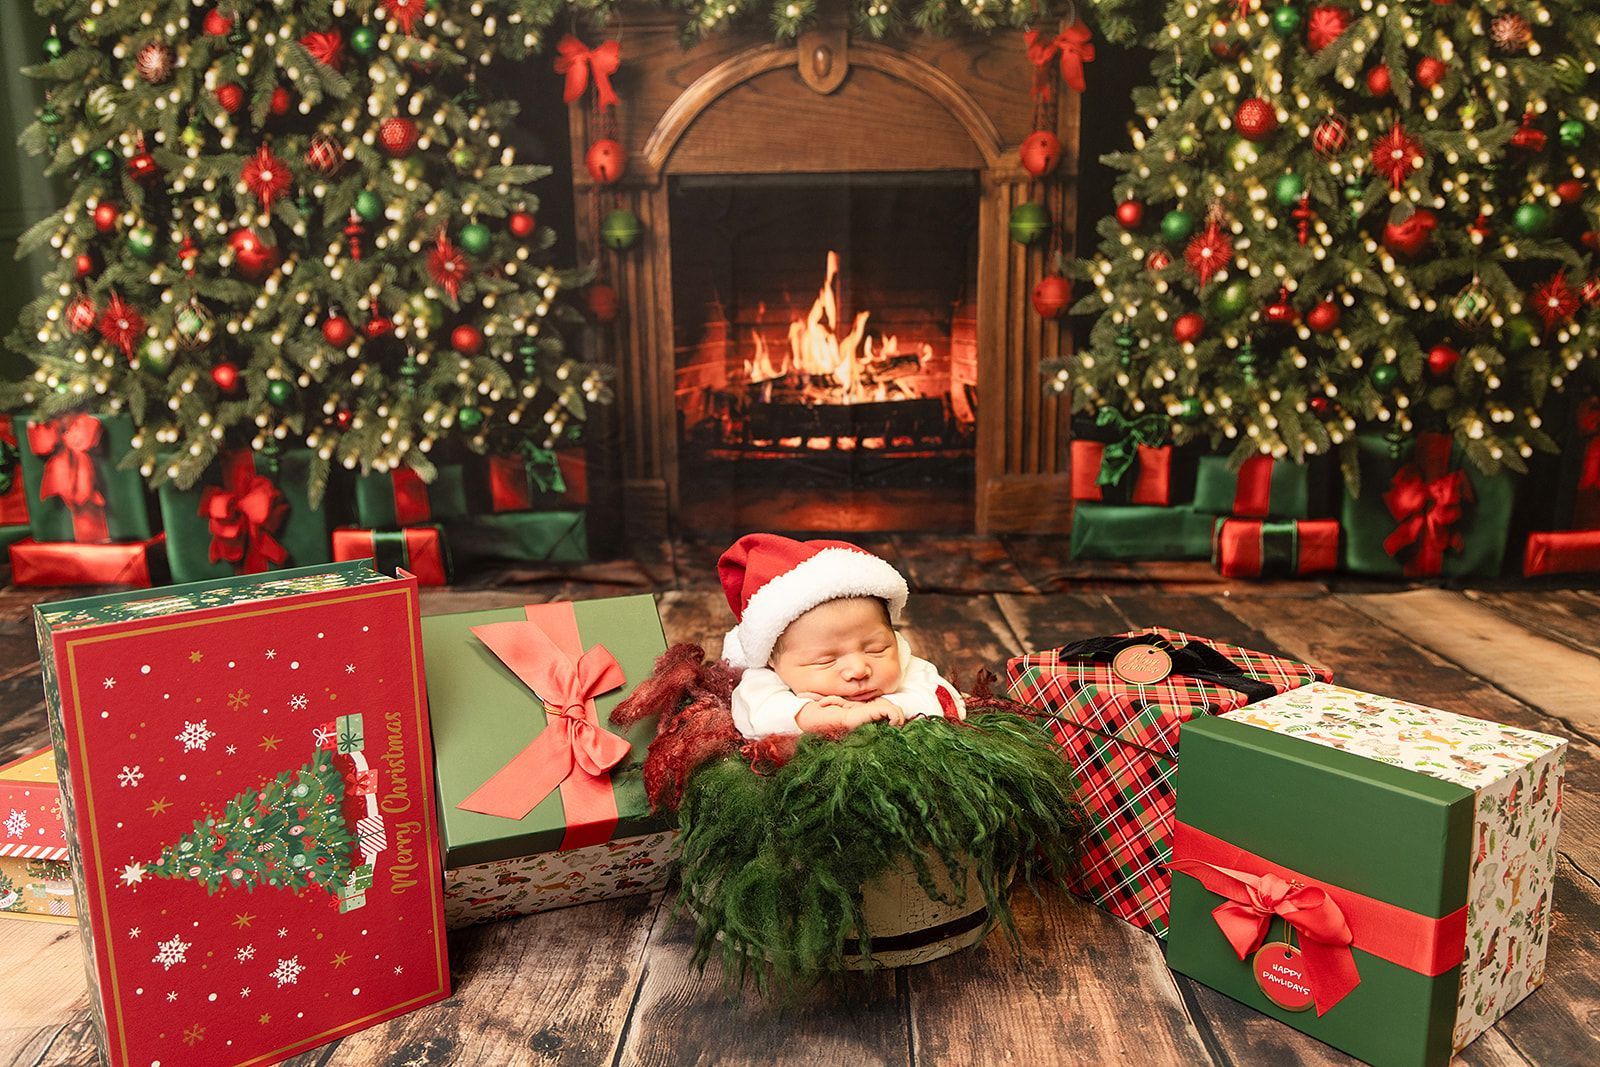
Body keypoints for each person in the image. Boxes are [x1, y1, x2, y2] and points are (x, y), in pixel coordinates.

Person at [718, 533, 967, 739]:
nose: (859, 670)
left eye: (876, 649)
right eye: (826, 660)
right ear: (773, 660)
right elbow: (756, 716)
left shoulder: (903, 661)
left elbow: (945, 699)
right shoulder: (765, 678)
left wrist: (893, 707)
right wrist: (837, 717)